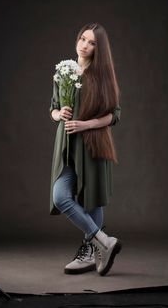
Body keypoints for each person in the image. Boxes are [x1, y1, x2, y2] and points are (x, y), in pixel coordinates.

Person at [49, 22, 121, 276]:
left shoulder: (101, 75)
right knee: (61, 196)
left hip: (91, 146)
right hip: (66, 147)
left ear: (98, 49)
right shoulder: (64, 71)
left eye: (92, 42)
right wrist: (60, 114)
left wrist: (86, 124)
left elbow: (114, 115)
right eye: (83, 38)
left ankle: (89, 252)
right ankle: (103, 241)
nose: (85, 45)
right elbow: (53, 108)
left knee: (92, 202)